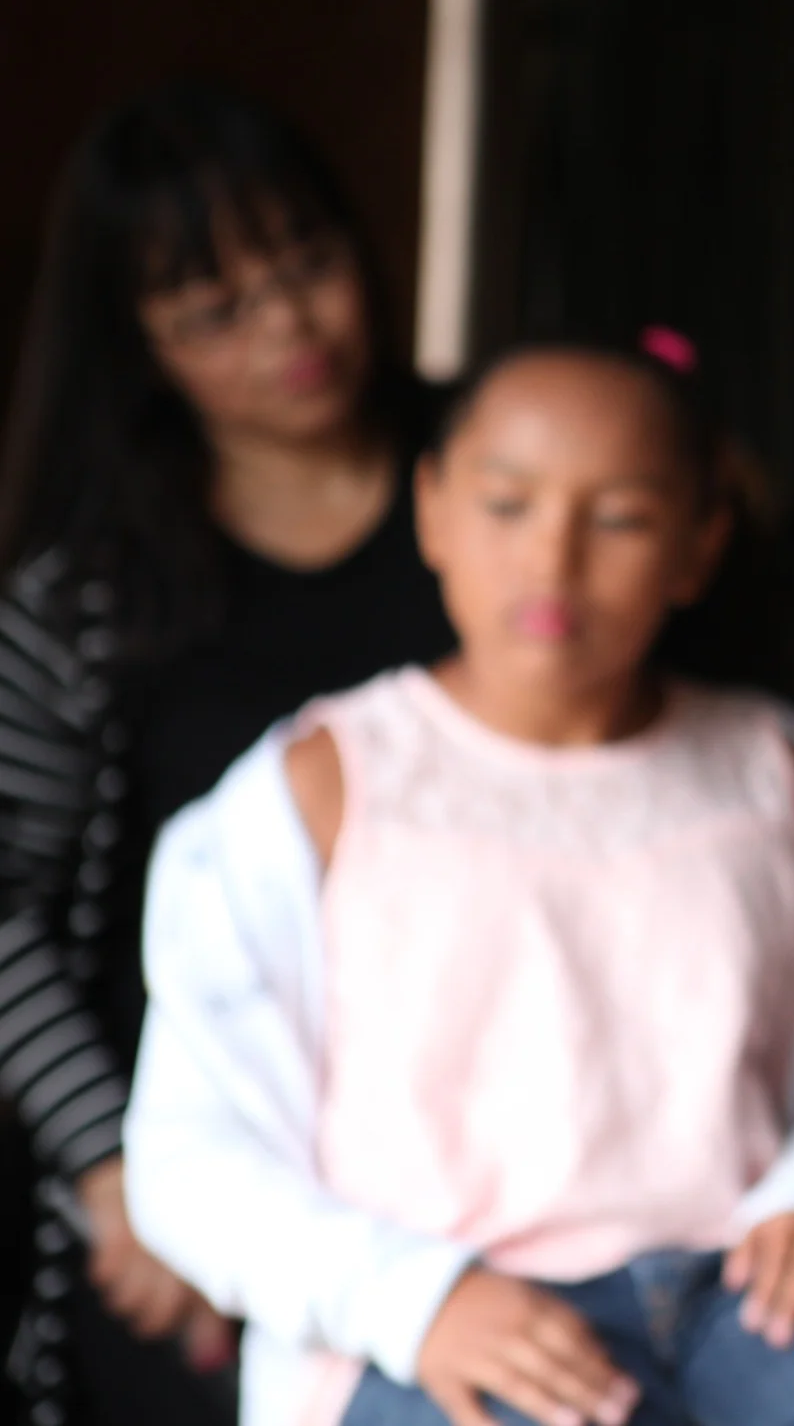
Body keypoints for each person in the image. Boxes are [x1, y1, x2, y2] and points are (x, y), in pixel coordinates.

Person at [121, 343, 794, 1426]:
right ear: (432, 511)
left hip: (746, 1294)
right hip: (433, 1314)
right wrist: (418, 1300)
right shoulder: (310, 792)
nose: (554, 558)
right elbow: (191, 1156)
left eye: (621, 517)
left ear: (699, 544)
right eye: (506, 505)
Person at [0, 83, 458, 1424]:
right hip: (198, 1174)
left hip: (480, 1149)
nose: (289, 328)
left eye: (307, 263)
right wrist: (115, 1170)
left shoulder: (502, 490)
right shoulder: (83, 601)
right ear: (138, 343)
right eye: (216, 311)